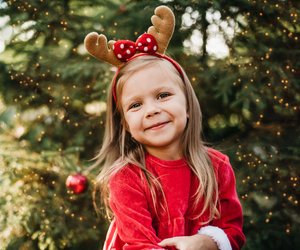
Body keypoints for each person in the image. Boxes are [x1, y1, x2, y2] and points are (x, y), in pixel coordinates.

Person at [84, 5, 246, 250]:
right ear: (125, 124)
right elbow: (139, 244)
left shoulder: (217, 167)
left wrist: (208, 242)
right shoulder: (126, 177)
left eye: (162, 95)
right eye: (136, 104)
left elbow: (232, 231)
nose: (151, 110)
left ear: (188, 105)